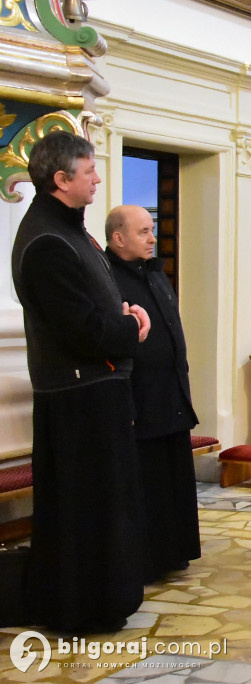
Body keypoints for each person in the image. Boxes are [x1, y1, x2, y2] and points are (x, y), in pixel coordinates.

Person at [12, 130, 151, 632]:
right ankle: (81, 606)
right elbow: (80, 329)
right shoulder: (47, 241)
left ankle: (104, 599)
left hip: (95, 392)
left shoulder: (70, 231)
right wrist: (131, 326)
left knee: (106, 505)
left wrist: (120, 311)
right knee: (84, 510)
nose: (97, 178)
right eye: (89, 170)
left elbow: (92, 307)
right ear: (61, 179)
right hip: (77, 400)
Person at [105, 204, 201, 581]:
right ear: (118, 238)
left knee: (175, 478)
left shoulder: (155, 274)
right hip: (140, 394)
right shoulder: (109, 277)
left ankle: (175, 550)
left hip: (172, 391)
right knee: (149, 481)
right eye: (143, 231)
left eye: (152, 229)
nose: (152, 237)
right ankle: (147, 557)